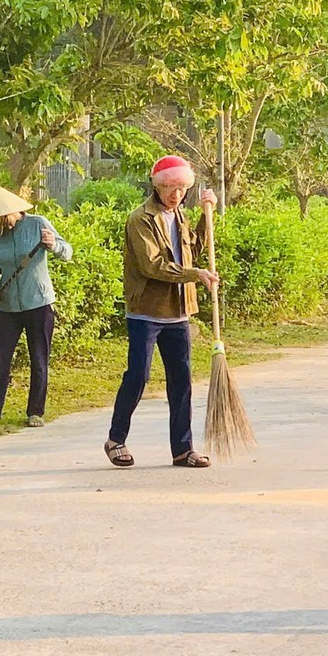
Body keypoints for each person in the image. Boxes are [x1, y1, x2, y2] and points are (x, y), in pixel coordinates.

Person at [105, 156, 219, 469]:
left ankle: (183, 449)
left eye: (181, 188)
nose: (176, 194)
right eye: (170, 187)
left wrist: (205, 219)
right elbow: (152, 265)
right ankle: (116, 439)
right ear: (158, 185)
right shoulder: (141, 218)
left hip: (178, 310)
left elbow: (192, 253)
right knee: (138, 376)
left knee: (181, 380)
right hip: (146, 310)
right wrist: (195, 274)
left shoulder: (179, 216)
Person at [0, 184, 74, 428]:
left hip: (38, 304)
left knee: (39, 358)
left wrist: (53, 245)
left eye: (1, 218)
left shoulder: (38, 223)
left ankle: (35, 411)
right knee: (0, 359)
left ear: (12, 210)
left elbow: (67, 251)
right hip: (7, 308)